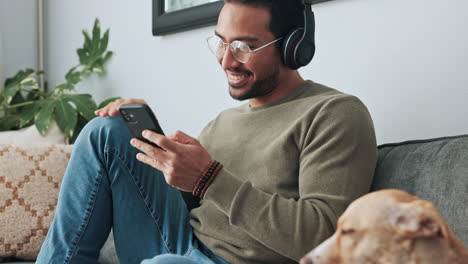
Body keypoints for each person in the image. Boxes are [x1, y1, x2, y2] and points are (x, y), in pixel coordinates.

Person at [37, 0, 377, 263]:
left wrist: (210, 178)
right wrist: (161, 150)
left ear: (293, 47)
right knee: (107, 130)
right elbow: (187, 203)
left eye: (243, 47)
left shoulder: (334, 114)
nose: (226, 61)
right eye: (221, 43)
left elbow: (325, 235)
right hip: (180, 245)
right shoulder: (223, 122)